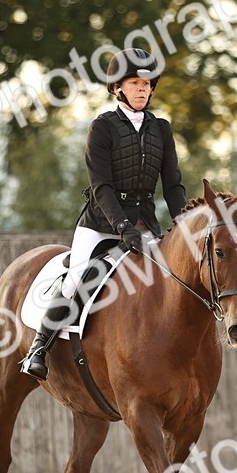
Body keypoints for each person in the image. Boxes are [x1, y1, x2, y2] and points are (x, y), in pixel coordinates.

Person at [21, 47, 187, 380]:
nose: (142, 88)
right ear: (117, 88)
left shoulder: (162, 130)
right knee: (75, 280)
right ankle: (38, 348)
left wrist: (182, 223)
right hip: (100, 224)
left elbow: (172, 185)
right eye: (134, 83)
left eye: (147, 83)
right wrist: (122, 226)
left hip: (145, 225)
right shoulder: (102, 127)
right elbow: (101, 187)